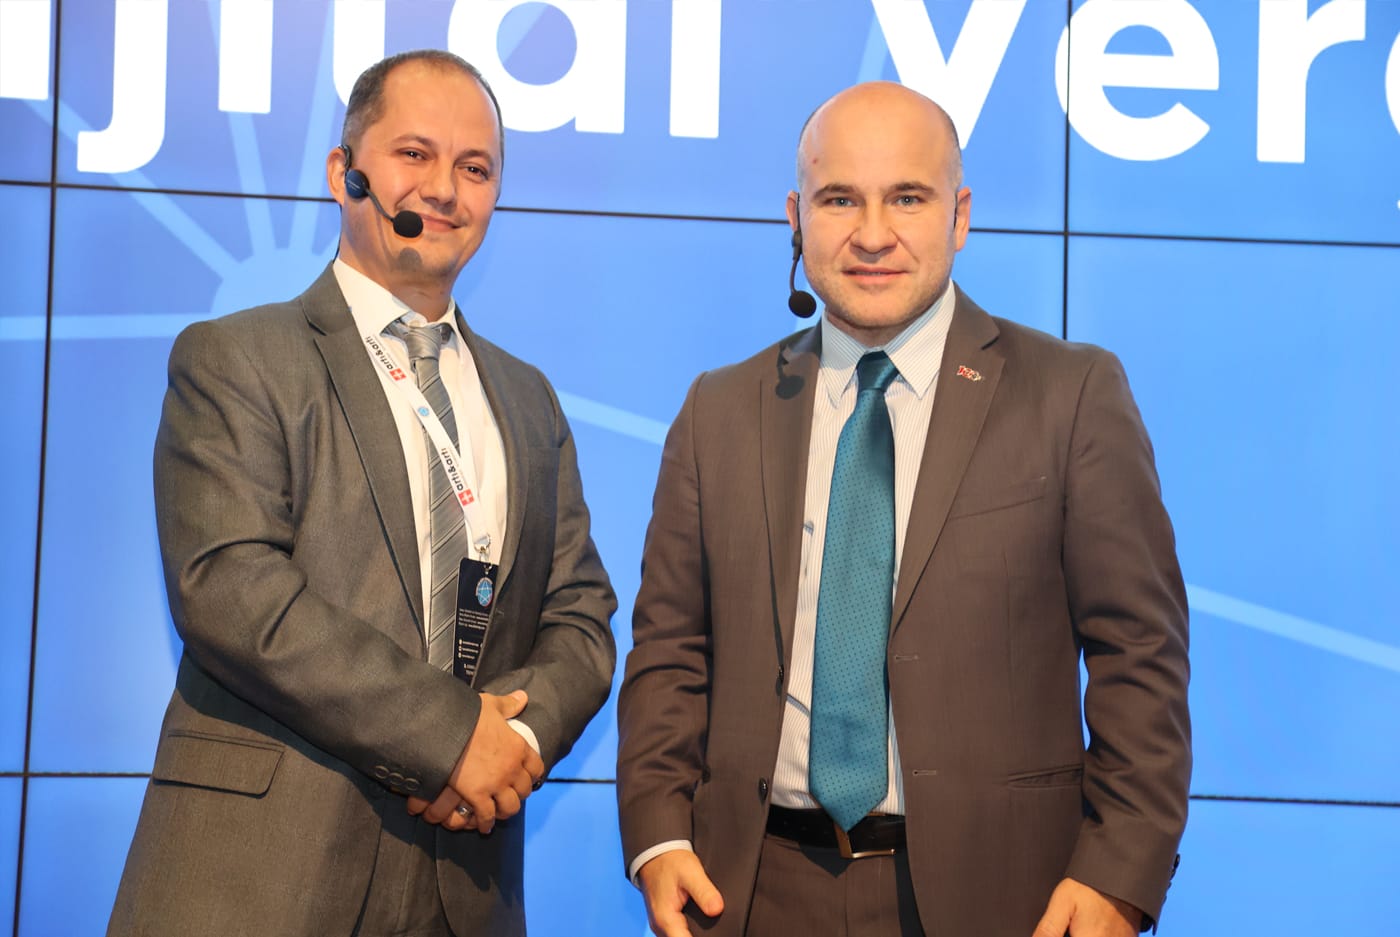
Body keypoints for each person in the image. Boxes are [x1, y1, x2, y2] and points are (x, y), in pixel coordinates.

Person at [616, 81, 1190, 937]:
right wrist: (659, 835)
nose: (874, 233)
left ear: (960, 216)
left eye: (908, 198)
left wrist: (1118, 871)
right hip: (749, 894)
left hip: (1005, 900)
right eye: (839, 199)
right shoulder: (718, 410)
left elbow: (1139, 654)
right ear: (796, 217)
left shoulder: (1071, 396)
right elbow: (670, 649)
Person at [108, 50, 616, 937]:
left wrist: (513, 743)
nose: (446, 190)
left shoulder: (528, 397)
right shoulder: (236, 357)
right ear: (344, 172)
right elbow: (230, 591)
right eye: (415, 154)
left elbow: (580, 617)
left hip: (465, 884)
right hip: (262, 880)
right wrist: (452, 737)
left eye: (476, 168)